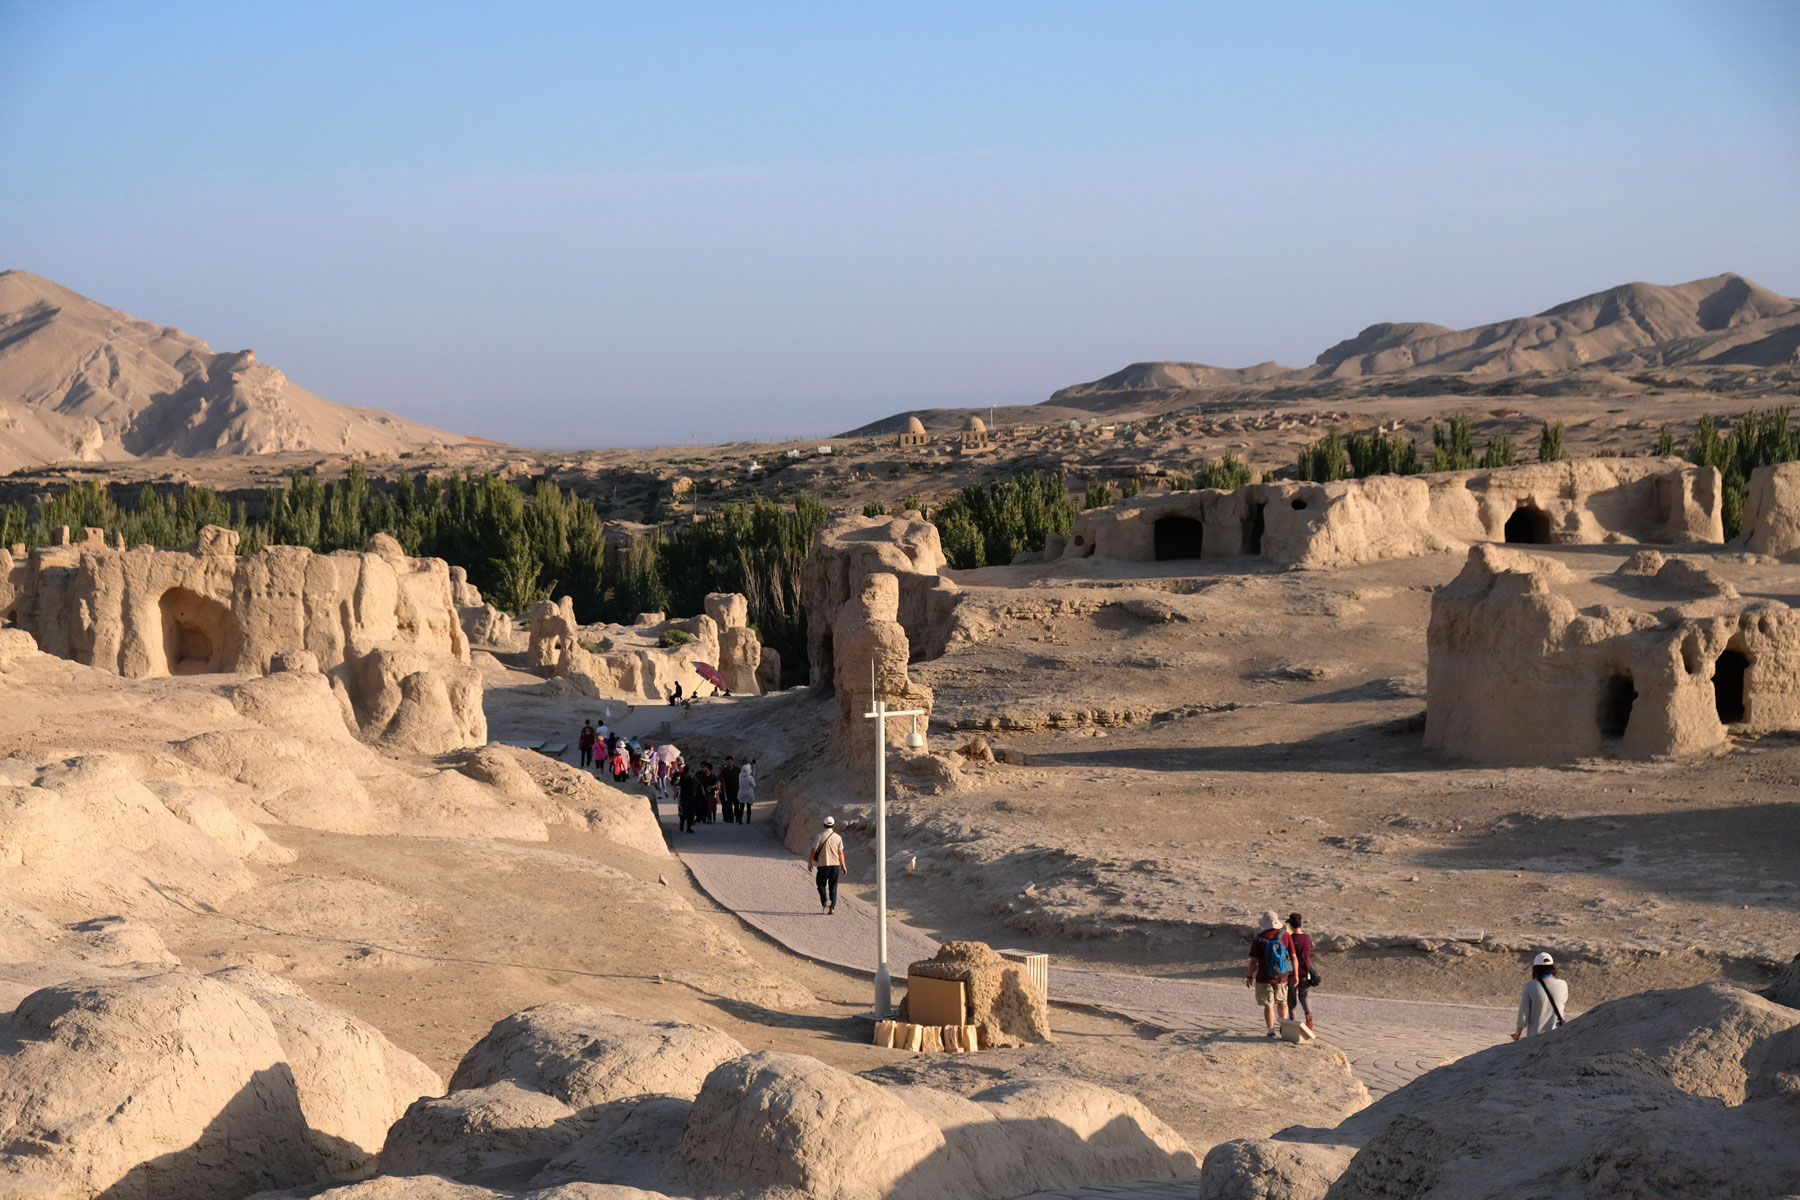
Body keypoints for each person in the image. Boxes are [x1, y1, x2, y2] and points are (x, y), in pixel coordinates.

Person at [1245, 909, 1298, 1038]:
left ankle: (1270, 1030)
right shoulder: (1286, 936)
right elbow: (1293, 957)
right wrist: (1295, 974)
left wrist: (1249, 976)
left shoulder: (1260, 938)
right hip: (1282, 976)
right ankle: (1284, 1028)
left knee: (1268, 1004)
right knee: (1282, 1002)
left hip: (1264, 976)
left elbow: (1253, 961)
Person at [1513, 952, 1569, 1040]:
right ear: (1553, 967)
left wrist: (1518, 1032)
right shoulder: (1563, 984)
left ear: (1536, 968)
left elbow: (1524, 1013)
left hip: (1536, 1036)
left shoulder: (1530, 985)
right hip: (1557, 1034)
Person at [1286, 913, 1317, 1032]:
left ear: (1290, 925)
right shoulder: (1307, 938)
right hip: (1306, 970)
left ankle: (1292, 1018)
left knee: (1291, 996)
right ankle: (1308, 1015)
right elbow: (1310, 947)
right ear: (1301, 923)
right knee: (1304, 996)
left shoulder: (1290, 938)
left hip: (1293, 972)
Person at [810, 815, 846, 914]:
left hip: (822, 865)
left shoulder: (819, 836)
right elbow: (841, 853)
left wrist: (810, 862)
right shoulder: (838, 837)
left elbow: (814, 850)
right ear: (833, 825)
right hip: (835, 866)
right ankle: (832, 907)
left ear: (824, 825)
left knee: (820, 884)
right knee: (833, 887)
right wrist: (843, 865)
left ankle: (825, 901)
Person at [677, 762, 701, 834]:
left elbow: (699, 785)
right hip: (684, 797)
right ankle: (682, 822)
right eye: (689, 771)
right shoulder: (683, 778)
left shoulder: (694, 778)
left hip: (692, 797)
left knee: (692, 813)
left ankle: (688, 827)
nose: (690, 772)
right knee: (685, 812)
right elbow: (678, 785)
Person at [720, 756, 742, 823]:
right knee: (728, 805)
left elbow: (741, 779)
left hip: (736, 790)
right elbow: (722, 780)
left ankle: (737, 817)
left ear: (733, 761)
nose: (729, 763)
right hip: (727, 791)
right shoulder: (724, 771)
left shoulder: (737, 770)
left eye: (730, 762)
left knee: (736, 804)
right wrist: (723, 790)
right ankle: (730, 818)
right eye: (727, 762)